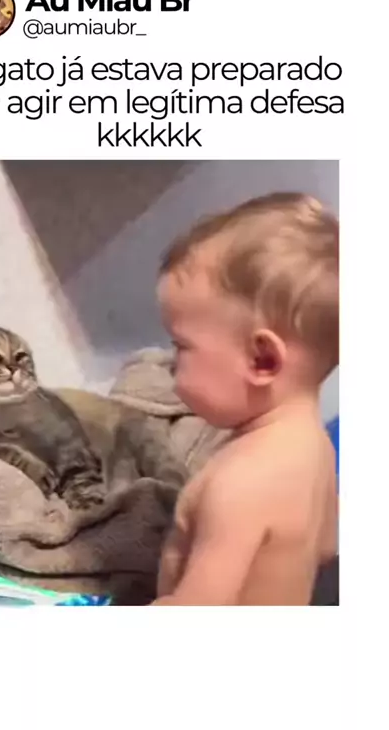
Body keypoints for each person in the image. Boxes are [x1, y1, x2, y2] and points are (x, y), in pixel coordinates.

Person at [152, 192, 339, 605]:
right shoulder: (318, 447)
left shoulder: (239, 481)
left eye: (181, 346)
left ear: (262, 359)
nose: (168, 363)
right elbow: (325, 547)